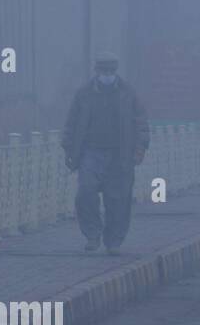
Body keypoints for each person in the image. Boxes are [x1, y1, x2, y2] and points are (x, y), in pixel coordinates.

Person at [60, 52, 150, 255]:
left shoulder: (128, 93)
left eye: (110, 71)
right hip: (91, 153)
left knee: (117, 200)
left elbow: (141, 122)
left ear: (115, 72)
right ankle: (93, 234)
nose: (107, 75)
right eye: (104, 71)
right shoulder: (84, 94)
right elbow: (71, 122)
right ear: (97, 71)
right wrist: (68, 148)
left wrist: (140, 147)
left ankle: (114, 241)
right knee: (85, 193)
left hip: (120, 154)